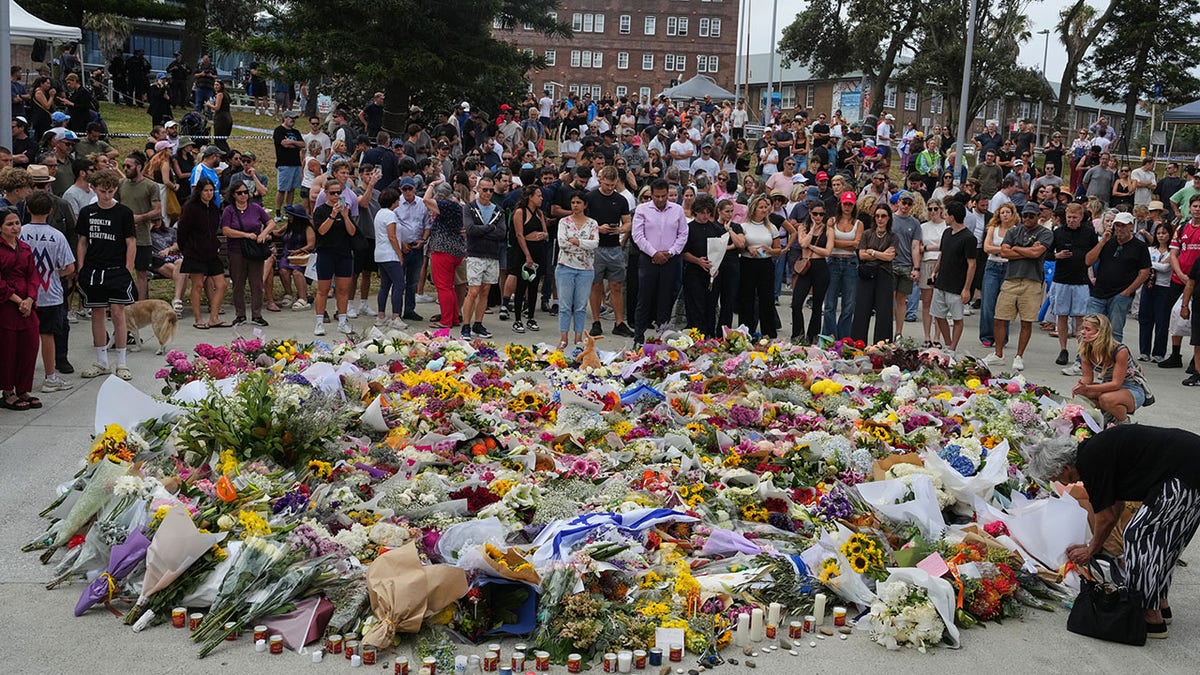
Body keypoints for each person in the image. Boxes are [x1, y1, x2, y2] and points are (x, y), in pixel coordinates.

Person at [1028, 425, 1200, 640]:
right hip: (1190, 468)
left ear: (1063, 467)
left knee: (1138, 536)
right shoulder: (1095, 452)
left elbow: (1106, 516)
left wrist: (1091, 549)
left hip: (1182, 474)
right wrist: (1095, 545)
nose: (1060, 483)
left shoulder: (1090, 461)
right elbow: (1115, 506)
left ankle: (1148, 614)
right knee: (1165, 542)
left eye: (1055, 478)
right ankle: (1160, 604)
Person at [74, 169, 136, 381]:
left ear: (115, 189)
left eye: (110, 191)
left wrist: (128, 269)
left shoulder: (124, 213)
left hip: (116, 269)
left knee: (118, 313)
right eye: (102, 191)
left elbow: (131, 242)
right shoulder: (86, 212)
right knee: (97, 313)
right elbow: (82, 241)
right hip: (93, 268)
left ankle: (122, 363)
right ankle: (101, 361)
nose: (106, 195)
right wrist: (81, 266)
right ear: (94, 189)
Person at [983, 203, 1053, 371]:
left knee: (1026, 321)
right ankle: (998, 354)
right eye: (1025, 215)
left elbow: (1037, 254)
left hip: (1032, 280)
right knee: (1000, 317)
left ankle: (1019, 356)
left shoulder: (1046, 233)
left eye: (1031, 216)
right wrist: (1027, 250)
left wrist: (1016, 248)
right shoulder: (1014, 231)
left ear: (1038, 217)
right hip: (1011, 279)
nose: (1027, 219)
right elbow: (1005, 253)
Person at [20, 190, 75, 393]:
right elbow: (69, 267)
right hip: (50, 292)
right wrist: (55, 273)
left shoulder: (20, 232)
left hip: (24, 294)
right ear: (51, 211)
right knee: (48, 335)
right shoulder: (57, 236)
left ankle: (21, 377)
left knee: (25, 337)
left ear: (27, 209)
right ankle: (50, 376)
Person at [1084, 211, 1151, 345]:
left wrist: (1127, 292)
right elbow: (1088, 261)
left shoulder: (1140, 246)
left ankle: (1111, 362)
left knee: (1114, 331)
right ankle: (1083, 361)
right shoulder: (1107, 242)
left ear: (1131, 226)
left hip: (1120, 295)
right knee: (1090, 328)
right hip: (1099, 292)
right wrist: (1102, 242)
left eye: (1123, 225)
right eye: (1117, 225)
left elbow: (1144, 272)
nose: (1119, 229)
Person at [1, 206, 42, 411]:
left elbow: (34, 276)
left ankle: (23, 388)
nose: (15, 227)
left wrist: (30, 299)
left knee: (30, 346)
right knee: (8, 351)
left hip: (27, 305)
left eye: (17, 223)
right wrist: (19, 301)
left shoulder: (24, 248)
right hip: (7, 307)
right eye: (10, 224)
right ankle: (7, 391)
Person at [586, 166, 634, 338]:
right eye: (607, 185)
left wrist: (620, 230)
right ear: (600, 180)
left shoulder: (621, 200)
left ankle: (619, 322)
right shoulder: (590, 197)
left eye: (612, 185)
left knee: (616, 285)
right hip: (596, 246)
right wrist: (598, 228)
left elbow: (628, 222)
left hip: (614, 246)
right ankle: (596, 321)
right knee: (596, 285)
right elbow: (583, 222)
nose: (609, 188)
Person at [221, 182, 277, 327]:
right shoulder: (229, 210)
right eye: (240, 193)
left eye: (245, 192)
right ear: (234, 194)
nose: (243, 195)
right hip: (237, 251)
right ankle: (240, 314)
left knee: (257, 283)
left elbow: (271, 222)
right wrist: (245, 235)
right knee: (238, 283)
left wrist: (263, 233)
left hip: (254, 251)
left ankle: (257, 314)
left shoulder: (255, 208)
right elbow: (226, 230)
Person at [1049, 203, 1098, 367]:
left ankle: (1081, 351)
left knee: (1080, 318)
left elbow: (1095, 253)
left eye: (1074, 217)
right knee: (1061, 316)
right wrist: (1058, 255)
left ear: (1081, 217)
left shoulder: (1089, 233)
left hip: (1081, 280)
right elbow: (1047, 253)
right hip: (1061, 279)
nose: (1071, 220)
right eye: (1069, 217)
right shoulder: (1058, 232)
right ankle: (1063, 349)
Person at [176, 177, 228, 328]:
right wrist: (185, 248)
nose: (209, 193)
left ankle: (214, 317)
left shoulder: (213, 208)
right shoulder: (191, 207)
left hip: (211, 251)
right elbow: (182, 231)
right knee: (198, 285)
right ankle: (198, 319)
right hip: (195, 251)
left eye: (211, 190)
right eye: (206, 190)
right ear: (199, 191)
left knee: (221, 284)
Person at [460, 176, 506, 339]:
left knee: (485, 290)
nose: (487, 193)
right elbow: (470, 229)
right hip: (475, 254)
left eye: (491, 190)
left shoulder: (499, 210)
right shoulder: (469, 208)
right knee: (473, 290)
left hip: (492, 255)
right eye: (484, 189)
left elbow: (501, 233)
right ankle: (466, 325)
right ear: (478, 190)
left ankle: (478, 324)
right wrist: (490, 228)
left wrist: (483, 231)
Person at [310, 179, 357, 335]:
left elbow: (352, 232)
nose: (336, 196)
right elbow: (321, 231)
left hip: (344, 253)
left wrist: (345, 216)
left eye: (339, 193)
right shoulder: (320, 211)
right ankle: (318, 322)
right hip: (326, 253)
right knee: (323, 290)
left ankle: (343, 321)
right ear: (326, 193)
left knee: (343, 290)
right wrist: (332, 215)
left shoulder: (346, 210)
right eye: (333, 193)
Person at [929, 201, 976, 351]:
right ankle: (948, 344)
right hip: (942, 281)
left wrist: (967, 289)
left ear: (953, 217)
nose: (944, 217)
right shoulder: (946, 233)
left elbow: (972, 264)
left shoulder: (969, 238)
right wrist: (934, 271)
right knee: (938, 314)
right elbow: (942, 254)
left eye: (946, 214)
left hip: (957, 284)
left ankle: (953, 348)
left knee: (957, 318)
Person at [556, 189, 599, 348]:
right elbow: (562, 243)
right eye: (573, 202)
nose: (575, 205)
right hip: (565, 267)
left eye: (578, 202)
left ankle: (578, 338)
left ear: (585, 204)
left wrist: (577, 242)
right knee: (565, 305)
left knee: (580, 306)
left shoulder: (592, 223)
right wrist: (583, 244)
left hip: (586, 269)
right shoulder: (564, 222)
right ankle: (563, 337)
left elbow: (594, 244)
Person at [851, 203, 899, 344]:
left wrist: (871, 252)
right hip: (867, 274)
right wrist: (879, 254)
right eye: (877, 216)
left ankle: (882, 346)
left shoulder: (893, 236)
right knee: (861, 311)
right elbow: (862, 255)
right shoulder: (867, 234)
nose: (880, 219)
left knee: (884, 313)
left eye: (883, 216)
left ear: (889, 218)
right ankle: (857, 345)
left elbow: (890, 257)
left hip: (885, 275)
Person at [118, 153, 162, 302]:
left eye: (128, 166)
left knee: (142, 273)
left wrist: (140, 217)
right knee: (122, 271)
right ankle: (122, 301)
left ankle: (140, 304)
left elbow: (157, 210)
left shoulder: (151, 186)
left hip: (142, 237)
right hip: (122, 237)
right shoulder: (121, 184)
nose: (125, 169)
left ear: (138, 167)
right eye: (124, 166)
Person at [739, 194, 783, 338]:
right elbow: (739, 246)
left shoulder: (771, 227)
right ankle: (746, 332)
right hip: (748, 263)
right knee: (747, 298)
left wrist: (770, 250)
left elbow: (778, 250)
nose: (764, 210)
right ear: (754, 209)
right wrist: (748, 248)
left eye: (766, 207)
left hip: (766, 263)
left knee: (767, 298)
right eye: (761, 207)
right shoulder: (744, 226)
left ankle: (768, 333)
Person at [424, 179, 466, 329]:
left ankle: (446, 320)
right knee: (449, 287)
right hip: (455, 250)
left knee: (443, 287)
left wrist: (432, 184)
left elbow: (425, 200)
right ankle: (453, 318)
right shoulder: (457, 206)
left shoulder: (447, 205)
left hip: (443, 250)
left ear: (441, 196)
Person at [790, 201, 832, 342]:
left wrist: (812, 247)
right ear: (810, 213)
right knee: (796, 303)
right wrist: (813, 230)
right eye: (815, 214)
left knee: (817, 304)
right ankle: (798, 334)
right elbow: (802, 244)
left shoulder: (829, 230)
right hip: (806, 266)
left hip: (820, 266)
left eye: (821, 214)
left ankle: (813, 335)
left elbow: (827, 251)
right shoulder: (803, 227)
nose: (818, 217)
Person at [509, 184, 548, 333]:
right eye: (538, 195)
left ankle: (531, 316)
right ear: (530, 197)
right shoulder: (520, 212)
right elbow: (519, 234)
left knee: (534, 285)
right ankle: (518, 319)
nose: (541, 198)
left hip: (538, 251)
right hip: (524, 252)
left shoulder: (539, 213)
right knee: (521, 285)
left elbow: (545, 232)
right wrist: (527, 255)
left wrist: (542, 235)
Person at [822, 191, 862, 338]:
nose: (847, 207)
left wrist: (837, 242)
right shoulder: (832, 221)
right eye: (845, 203)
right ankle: (829, 336)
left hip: (850, 262)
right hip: (833, 261)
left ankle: (844, 336)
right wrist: (849, 243)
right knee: (830, 303)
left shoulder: (859, 223)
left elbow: (857, 245)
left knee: (849, 304)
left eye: (850, 204)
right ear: (840, 204)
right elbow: (830, 243)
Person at [979, 201, 1013, 348]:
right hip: (992, 266)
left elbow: (1015, 250)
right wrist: (1002, 250)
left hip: (1009, 267)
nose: (1005, 215)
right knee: (988, 302)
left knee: (1005, 304)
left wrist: (999, 249)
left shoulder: (1015, 230)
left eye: (1008, 212)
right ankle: (987, 335)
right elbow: (986, 247)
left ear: (1012, 215)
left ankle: (1002, 337)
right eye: (1002, 212)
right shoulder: (993, 228)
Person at [1139, 223, 1174, 362]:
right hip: (1148, 286)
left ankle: (1159, 352)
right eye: (1158, 233)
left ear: (1170, 235)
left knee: (1162, 320)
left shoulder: (1172, 252)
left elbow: (1166, 268)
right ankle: (1144, 351)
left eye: (1164, 233)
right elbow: (1143, 264)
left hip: (1164, 287)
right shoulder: (1150, 250)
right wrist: (1153, 264)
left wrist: (1151, 264)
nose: (1161, 236)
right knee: (1145, 319)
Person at [917, 199, 948, 345]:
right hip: (926, 263)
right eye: (930, 209)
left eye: (936, 209)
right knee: (927, 302)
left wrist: (929, 247)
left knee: (939, 302)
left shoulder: (946, 225)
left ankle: (937, 337)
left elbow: (946, 245)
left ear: (941, 209)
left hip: (941, 263)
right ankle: (927, 336)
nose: (933, 212)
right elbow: (919, 247)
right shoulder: (923, 226)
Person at [274, 111, 306, 214]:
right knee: (282, 189)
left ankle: (289, 210)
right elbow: (284, 144)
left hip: (296, 163)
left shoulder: (296, 132)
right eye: (291, 118)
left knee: (292, 189)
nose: (293, 120)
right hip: (284, 164)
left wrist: (292, 142)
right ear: (285, 118)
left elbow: (303, 144)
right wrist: (295, 145)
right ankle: (278, 211)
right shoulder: (279, 130)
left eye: (294, 118)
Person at [206, 80, 234, 153]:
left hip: (221, 118)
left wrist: (209, 104)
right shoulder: (226, 94)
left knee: (218, 140)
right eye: (214, 85)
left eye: (217, 85)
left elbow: (217, 107)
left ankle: (227, 154)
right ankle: (228, 154)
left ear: (221, 86)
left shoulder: (220, 94)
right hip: (228, 118)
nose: (215, 86)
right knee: (222, 140)